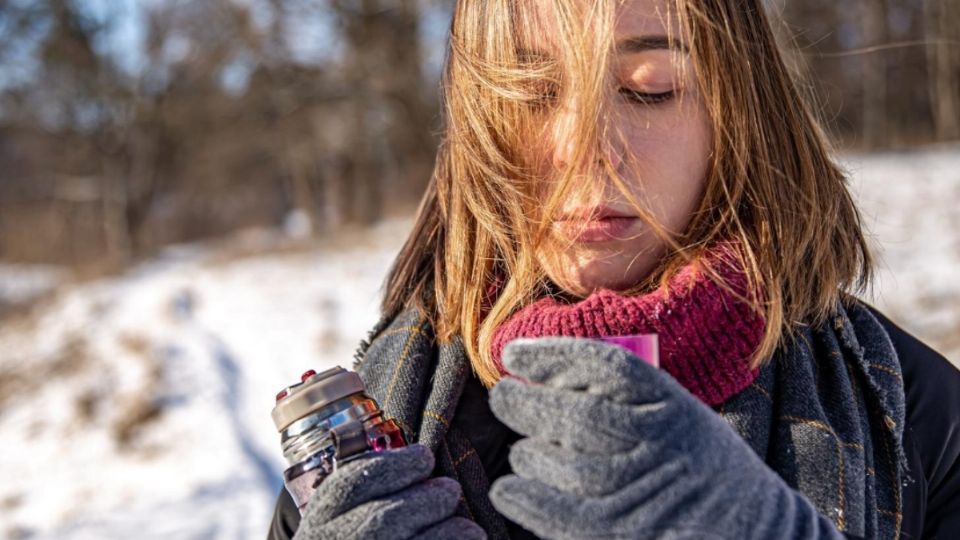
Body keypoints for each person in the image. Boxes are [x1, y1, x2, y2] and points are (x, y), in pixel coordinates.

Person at [269, 0, 960, 538]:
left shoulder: (920, 423)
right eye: (531, 91)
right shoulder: (367, 450)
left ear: (741, 110)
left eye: (649, 88)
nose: (586, 149)